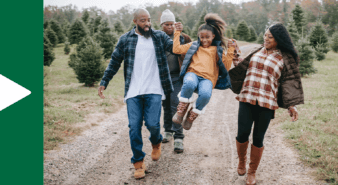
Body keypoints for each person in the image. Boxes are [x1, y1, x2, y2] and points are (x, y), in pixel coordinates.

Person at [97, 8, 176, 179]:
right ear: (135, 22)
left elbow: (176, 48)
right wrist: (104, 82)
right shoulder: (126, 39)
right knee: (134, 128)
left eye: (148, 20)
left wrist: (179, 34)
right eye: (143, 20)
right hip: (133, 91)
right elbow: (114, 62)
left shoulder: (159, 36)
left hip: (154, 89)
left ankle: (156, 142)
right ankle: (138, 163)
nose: (147, 24)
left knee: (153, 125)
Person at [229, 23, 304, 185]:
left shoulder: (285, 58)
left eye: (270, 37)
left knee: (258, 138)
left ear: (278, 40)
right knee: (242, 133)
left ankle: (252, 172)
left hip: (267, 103)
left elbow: (288, 83)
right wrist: (236, 58)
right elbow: (246, 67)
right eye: (265, 35)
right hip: (247, 97)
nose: (266, 38)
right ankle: (241, 161)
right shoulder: (257, 51)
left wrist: (291, 105)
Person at [172, 13, 236, 130]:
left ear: (213, 36)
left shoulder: (217, 50)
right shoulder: (194, 45)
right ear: (198, 36)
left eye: (207, 37)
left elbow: (226, 67)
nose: (204, 40)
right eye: (202, 37)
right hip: (193, 74)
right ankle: (181, 109)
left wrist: (231, 49)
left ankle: (191, 115)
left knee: (206, 94)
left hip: (208, 79)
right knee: (190, 83)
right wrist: (177, 33)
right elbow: (176, 49)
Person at [159, 9, 192, 153]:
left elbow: (193, 53)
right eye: (167, 24)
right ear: (162, 25)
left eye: (172, 24)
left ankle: (179, 138)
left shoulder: (183, 37)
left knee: (176, 105)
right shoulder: (158, 37)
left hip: (178, 77)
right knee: (165, 104)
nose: (170, 27)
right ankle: (168, 130)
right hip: (162, 77)